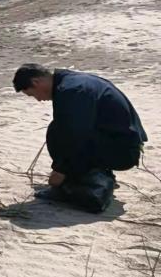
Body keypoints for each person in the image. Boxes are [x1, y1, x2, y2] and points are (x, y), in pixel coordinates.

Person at [13, 64, 148, 211]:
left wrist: (61, 171)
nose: (38, 99)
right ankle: (97, 173)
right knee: (58, 127)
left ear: (36, 82)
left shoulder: (71, 91)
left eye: (33, 94)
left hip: (123, 153)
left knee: (58, 132)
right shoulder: (72, 81)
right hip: (123, 145)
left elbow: (75, 136)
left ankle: (84, 182)